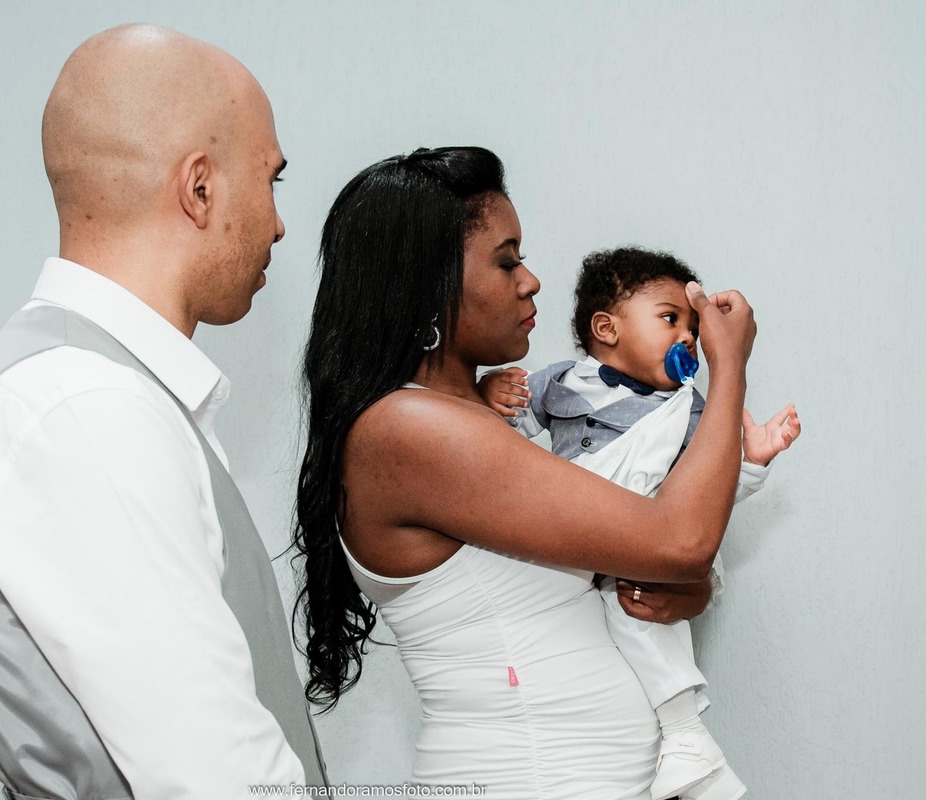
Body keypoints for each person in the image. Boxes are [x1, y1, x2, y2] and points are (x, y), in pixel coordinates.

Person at [0, 24, 325, 800]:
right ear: (199, 188)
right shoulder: (85, 406)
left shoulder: (101, 393)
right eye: (270, 179)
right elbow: (218, 778)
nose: (279, 222)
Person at [293, 147, 757, 800]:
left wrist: (689, 588)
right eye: (506, 260)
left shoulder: (491, 420)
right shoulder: (411, 428)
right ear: (428, 284)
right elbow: (679, 539)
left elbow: (646, 550)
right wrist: (729, 367)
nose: (532, 280)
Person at [478, 247, 800, 800]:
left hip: (636, 551)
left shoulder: (689, 411)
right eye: (671, 319)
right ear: (607, 328)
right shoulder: (558, 382)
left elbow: (709, 497)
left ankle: (686, 735)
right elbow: (496, 439)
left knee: (643, 618)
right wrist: (490, 394)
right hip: (566, 542)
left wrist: (752, 460)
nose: (688, 338)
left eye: (694, 328)